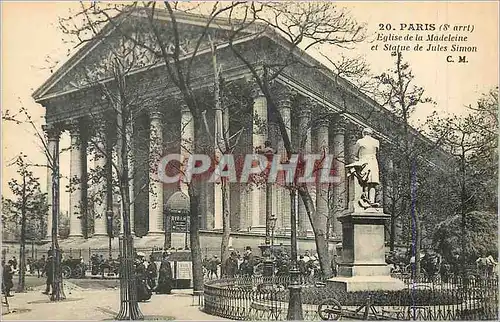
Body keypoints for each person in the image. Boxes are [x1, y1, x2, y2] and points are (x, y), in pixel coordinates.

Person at [346, 127, 380, 206]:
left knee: (364, 182)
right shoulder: (376, 142)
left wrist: (357, 159)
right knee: (372, 183)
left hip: (363, 162)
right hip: (373, 162)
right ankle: (371, 201)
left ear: (363, 133)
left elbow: (354, 154)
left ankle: (365, 200)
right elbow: (376, 152)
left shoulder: (360, 141)